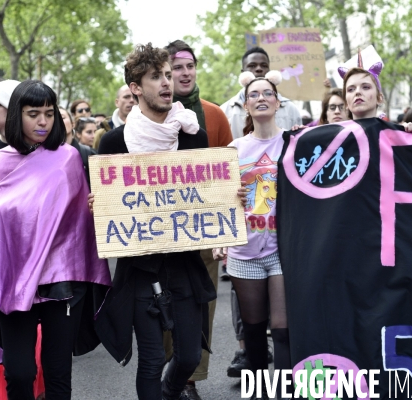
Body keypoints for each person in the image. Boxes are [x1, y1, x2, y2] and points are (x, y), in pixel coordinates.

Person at [0, 80, 111, 400]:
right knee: (20, 373)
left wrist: (94, 207)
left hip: (60, 280)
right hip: (14, 280)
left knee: (58, 374)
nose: (43, 121)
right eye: (34, 113)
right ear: (18, 116)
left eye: (48, 113)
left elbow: (76, 221)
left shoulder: (68, 158)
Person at [95, 43, 215, 400]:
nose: (166, 83)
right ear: (135, 86)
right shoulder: (114, 143)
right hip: (141, 270)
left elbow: (209, 195)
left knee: (189, 356)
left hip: (184, 265)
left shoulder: (194, 137)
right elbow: (109, 206)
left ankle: (169, 392)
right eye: (155, 76)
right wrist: (99, 206)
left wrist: (229, 201)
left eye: (167, 75)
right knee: (149, 360)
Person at [214, 69, 291, 397]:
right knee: (255, 331)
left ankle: (289, 389)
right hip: (244, 252)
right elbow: (217, 199)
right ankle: (259, 391)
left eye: (267, 94)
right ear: (245, 106)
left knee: (284, 329)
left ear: (278, 103)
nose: (261, 98)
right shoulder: (233, 149)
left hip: (282, 250)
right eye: (254, 95)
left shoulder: (294, 143)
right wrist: (231, 199)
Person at [165, 39, 233, 400]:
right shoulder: (147, 119)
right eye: (176, 67)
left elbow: (227, 177)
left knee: (202, 303)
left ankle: (190, 377)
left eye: (189, 65)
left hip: (204, 231)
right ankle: (165, 371)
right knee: (163, 304)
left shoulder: (216, 115)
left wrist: (224, 231)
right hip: (158, 233)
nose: (185, 72)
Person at [221, 47, 302, 139]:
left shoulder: (290, 109)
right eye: (252, 65)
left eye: (264, 65)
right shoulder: (224, 111)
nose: (259, 69)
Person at [59, 107, 96, 187]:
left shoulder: (89, 153)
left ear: (73, 124)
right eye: (54, 118)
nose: (58, 121)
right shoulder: (43, 156)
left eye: (62, 117)